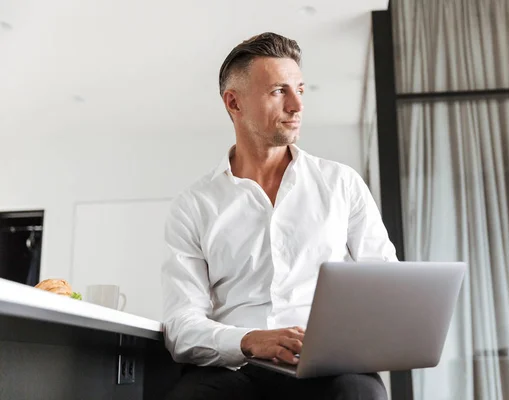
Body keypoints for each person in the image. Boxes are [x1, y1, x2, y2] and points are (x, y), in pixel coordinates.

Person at [162, 32, 397, 400]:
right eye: (278, 91)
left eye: (300, 89)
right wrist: (249, 340)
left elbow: (386, 284)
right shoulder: (194, 205)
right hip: (237, 367)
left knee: (360, 394)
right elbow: (181, 325)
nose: (297, 105)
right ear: (234, 103)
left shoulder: (342, 184)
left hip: (327, 368)